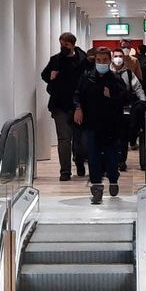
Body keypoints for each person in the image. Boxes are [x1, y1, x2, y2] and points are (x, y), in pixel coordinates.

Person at [72, 47, 129, 203]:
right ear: (94, 60)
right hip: (91, 124)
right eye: (98, 60)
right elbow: (77, 95)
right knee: (93, 156)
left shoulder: (116, 79)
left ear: (109, 61)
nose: (101, 63)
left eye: (104, 60)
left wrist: (112, 96)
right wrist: (78, 108)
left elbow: (125, 98)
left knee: (111, 156)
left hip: (111, 125)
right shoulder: (87, 78)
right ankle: (96, 187)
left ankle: (113, 180)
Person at [40, 32, 90, 181]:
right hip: (60, 105)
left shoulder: (83, 60)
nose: (63, 47)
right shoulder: (55, 60)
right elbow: (45, 75)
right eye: (61, 44)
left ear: (73, 44)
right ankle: (65, 171)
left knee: (79, 139)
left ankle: (79, 162)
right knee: (64, 139)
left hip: (79, 105)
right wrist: (52, 76)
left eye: (66, 45)